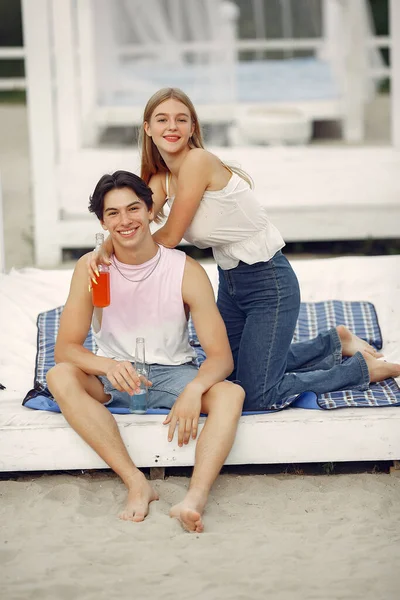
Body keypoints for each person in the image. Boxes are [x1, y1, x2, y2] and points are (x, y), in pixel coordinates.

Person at [88, 87, 400, 411]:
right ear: (147, 128)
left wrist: (109, 249)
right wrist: (103, 248)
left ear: (192, 127)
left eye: (181, 119)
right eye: (162, 119)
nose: (172, 127)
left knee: (257, 393)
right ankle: (336, 342)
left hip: (269, 281)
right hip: (231, 283)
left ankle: (362, 369)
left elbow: (168, 235)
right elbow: (134, 219)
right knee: (234, 375)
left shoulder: (198, 161)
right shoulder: (162, 179)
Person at [47, 170, 245, 533]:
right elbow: (66, 349)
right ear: (103, 221)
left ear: (150, 209)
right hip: (114, 377)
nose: (125, 221)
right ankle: (137, 482)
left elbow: (221, 357)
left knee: (231, 393)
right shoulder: (92, 269)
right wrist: (107, 365)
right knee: (59, 375)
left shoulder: (185, 270)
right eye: (113, 213)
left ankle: (194, 498)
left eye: (133, 208)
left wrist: (194, 389)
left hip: (172, 373)